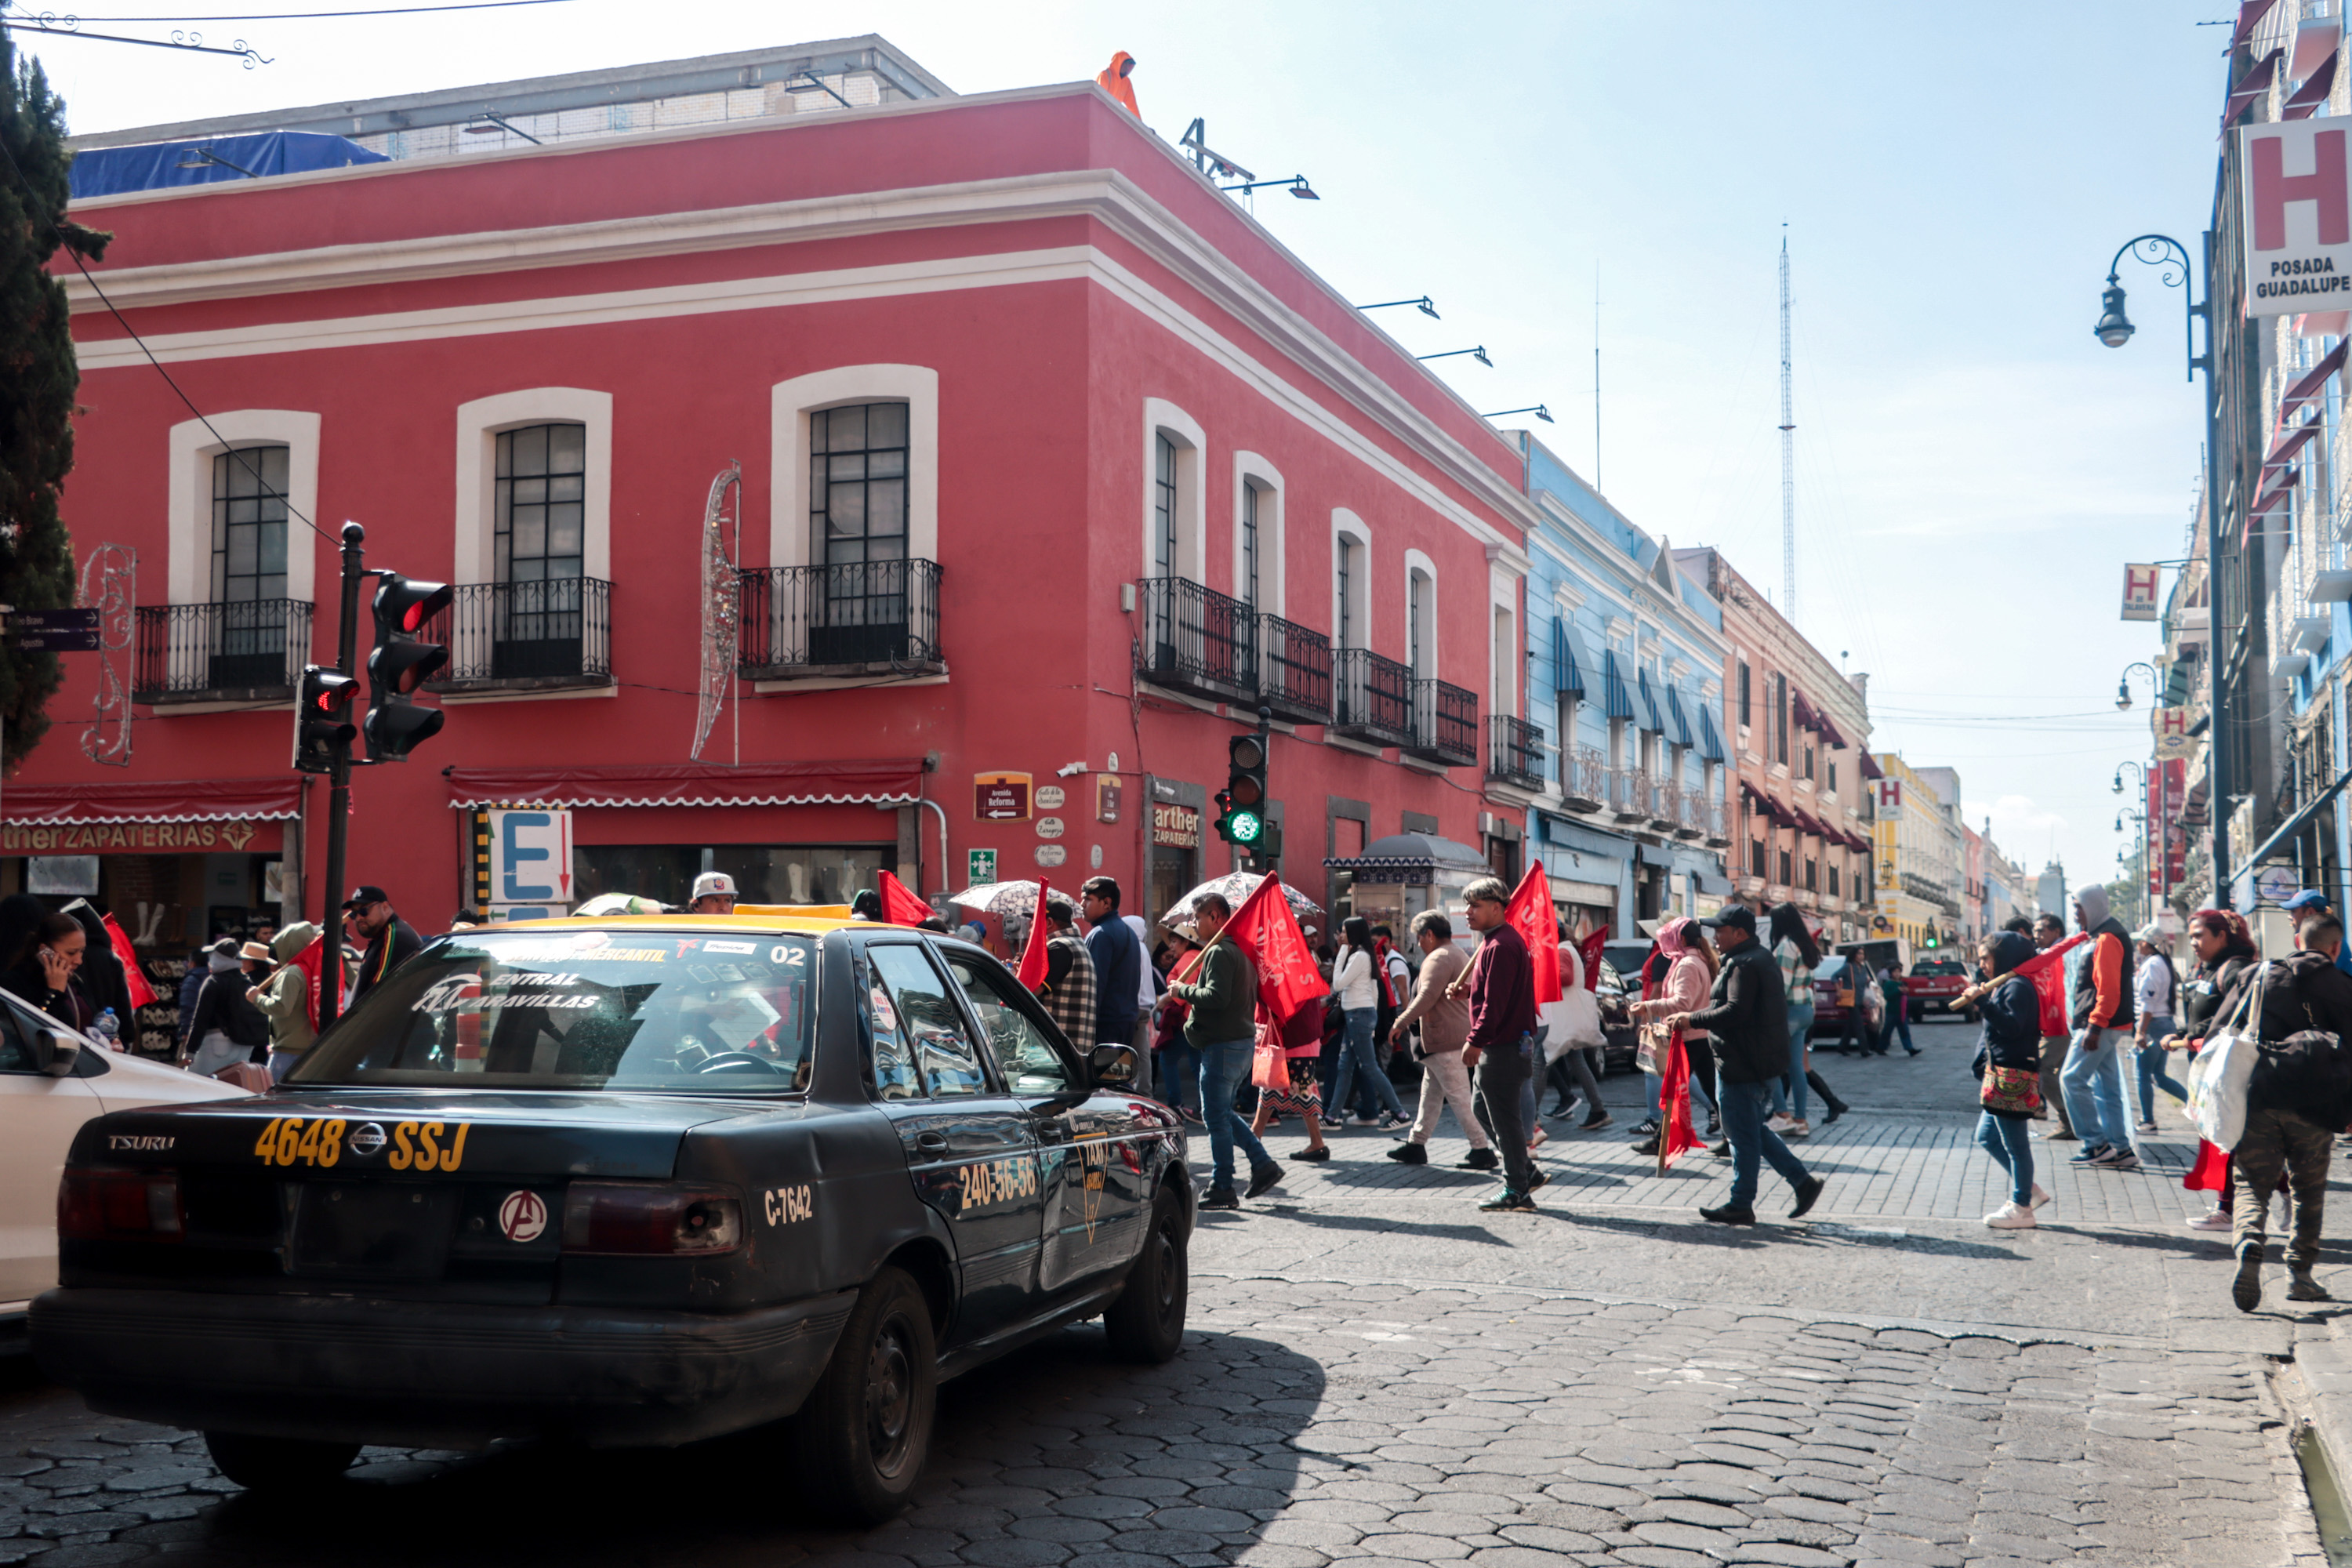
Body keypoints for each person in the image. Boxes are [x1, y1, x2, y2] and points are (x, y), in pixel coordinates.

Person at [2216, 911, 2352, 1309]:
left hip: (2261, 1097)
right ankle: (2301, 1275)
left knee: (2251, 1184)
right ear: (2335, 948)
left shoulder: (2259, 976)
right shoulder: (2344, 988)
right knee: (2308, 1191)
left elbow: (2221, 1030)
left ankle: (2248, 1242)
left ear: (2297, 941)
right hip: (2317, 1106)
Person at [1671, 904, 1824, 1227]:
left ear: (1739, 934)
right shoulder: (1755, 958)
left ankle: (1742, 1203)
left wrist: (1690, 1018)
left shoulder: (1745, 963)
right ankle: (1802, 1182)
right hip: (1756, 1061)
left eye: (1720, 931)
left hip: (1744, 1063)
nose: (1714, 938)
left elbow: (1735, 1012)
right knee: (1750, 1129)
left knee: (1742, 1136)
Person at [1163, 892, 1281, 1208]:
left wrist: (1181, 990)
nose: (1194, 924)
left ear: (1215, 917)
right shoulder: (1240, 950)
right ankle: (1262, 1165)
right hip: (1237, 1043)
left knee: (1216, 1118)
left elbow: (1215, 996)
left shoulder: (1219, 952)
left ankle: (1224, 1184)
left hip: (1223, 1045)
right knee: (1221, 1113)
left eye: (1198, 918)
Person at [1450, 877, 1541, 1213]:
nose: (1468, 912)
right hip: (1501, 1044)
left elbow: (1496, 1004)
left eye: (1475, 905)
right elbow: (1490, 992)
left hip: (1503, 1046)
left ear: (1496, 907)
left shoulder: (1501, 945)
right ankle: (1525, 1171)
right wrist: (1464, 992)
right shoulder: (1493, 943)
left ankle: (1517, 1187)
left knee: (1505, 1119)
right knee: (1482, 1110)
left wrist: (1475, 1040)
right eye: (1467, 905)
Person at [1386, 909, 1486, 1168]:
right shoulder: (1453, 953)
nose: (1418, 943)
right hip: (1446, 1039)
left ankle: (1481, 1148)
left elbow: (1427, 997)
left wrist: (1401, 1021)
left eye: (1419, 937)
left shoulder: (1439, 957)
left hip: (1445, 1039)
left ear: (1429, 934)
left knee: (1460, 1098)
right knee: (1430, 1096)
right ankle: (1416, 1144)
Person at [1970, 931, 2051, 1229]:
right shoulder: (2006, 984)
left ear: (2002, 957)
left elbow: (2012, 1027)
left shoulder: (2017, 986)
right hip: (2000, 1073)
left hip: (2012, 1074)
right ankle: (2029, 1190)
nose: (1982, 966)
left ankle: (2021, 1206)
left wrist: (1983, 1003)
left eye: (1986, 958)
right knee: (1987, 1137)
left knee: (2017, 1146)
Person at [2058, 884, 2139, 1171]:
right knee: (2106, 1087)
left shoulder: (2106, 938)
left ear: (2091, 906)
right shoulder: (2103, 936)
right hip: (2106, 1023)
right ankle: (2120, 1148)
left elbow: (2108, 989)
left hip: (2099, 1024)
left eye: (2078, 907)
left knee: (2071, 1079)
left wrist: (2094, 1026)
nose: (2076, 913)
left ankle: (2096, 1143)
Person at [1626, 918, 1714, 1159]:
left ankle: (1660, 1140)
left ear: (1682, 939)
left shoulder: (1687, 964)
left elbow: (1682, 1003)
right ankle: (1730, 1136)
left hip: (1688, 1035)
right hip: (1698, 1033)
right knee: (1709, 1090)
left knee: (1673, 1092)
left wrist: (1647, 1007)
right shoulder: (1695, 960)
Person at [1328, 916, 1409, 1131]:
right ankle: (1332, 1116)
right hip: (1357, 1015)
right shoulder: (1365, 956)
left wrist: (1343, 952)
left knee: (1369, 1067)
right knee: (1345, 1066)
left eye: (1344, 932)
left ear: (1353, 934)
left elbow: (1338, 983)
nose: (1340, 936)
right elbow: (1373, 989)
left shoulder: (1359, 956)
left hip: (1358, 1016)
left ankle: (1399, 1113)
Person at [1543, 920, 1613, 1130]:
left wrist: (1542, 974)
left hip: (1563, 1019)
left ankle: (1530, 1120)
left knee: (1541, 1061)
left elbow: (1565, 977)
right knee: (1575, 1063)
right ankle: (1598, 1109)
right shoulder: (1568, 950)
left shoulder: (1562, 952)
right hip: (1568, 1018)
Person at [1081, 877, 1144, 1091]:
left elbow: (1094, 985)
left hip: (1105, 1023)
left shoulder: (1101, 934)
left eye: (1088, 899)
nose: (1082, 905)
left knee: (1103, 1087)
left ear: (1106, 903)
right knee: (1116, 1083)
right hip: (1124, 1020)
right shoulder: (1127, 931)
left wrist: (1087, 1024)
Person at [1767, 905, 1820, 1137]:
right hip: (1805, 1010)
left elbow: (1781, 986)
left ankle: (1782, 1114)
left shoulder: (1786, 946)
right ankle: (1801, 1120)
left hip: (1787, 1010)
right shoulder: (1806, 944)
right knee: (1796, 1066)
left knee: (1770, 1064)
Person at [184, 936, 268, 1078]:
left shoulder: (214, 982)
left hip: (215, 1044)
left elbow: (201, 1019)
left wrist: (190, 1050)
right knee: (232, 1089)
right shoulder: (246, 982)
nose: (210, 961)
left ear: (219, 959)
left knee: (200, 1087)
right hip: (243, 1045)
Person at [249, 921, 321, 1083]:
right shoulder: (314, 968)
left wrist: (256, 998)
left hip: (288, 1050)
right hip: (309, 1047)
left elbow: (281, 1007)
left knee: (275, 1101)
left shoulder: (291, 973)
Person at [2132, 926, 2187, 1135]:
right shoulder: (2161, 963)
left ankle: (2148, 1120)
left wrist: (2140, 1031)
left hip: (2153, 1024)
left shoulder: (2153, 964)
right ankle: (2195, 1105)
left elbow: (2148, 1003)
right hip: (2164, 1022)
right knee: (2158, 1075)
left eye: (2141, 941)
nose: (2138, 945)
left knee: (2143, 1075)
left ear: (2149, 943)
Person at [2, 909, 91, 1031]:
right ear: (45, 950)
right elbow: (37, 1032)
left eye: (82, 951)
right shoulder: (15, 982)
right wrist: (54, 992)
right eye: (71, 953)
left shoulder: (74, 981)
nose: (78, 961)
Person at [2030, 912, 2077, 1139]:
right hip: (2056, 1020)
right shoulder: (2050, 953)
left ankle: (2068, 1117)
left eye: (2041, 931)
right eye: (2035, 931)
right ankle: (2070, 1120)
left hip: (2060, 1021)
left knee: (2043, 1068)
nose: (2036, 936)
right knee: (2063, 1074)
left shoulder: (2062, 953)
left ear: (2056, 932)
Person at [1151, 928, 1204, 1123]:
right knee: (1197, 1064)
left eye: (1174, 941)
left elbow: (1182, 992)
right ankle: (1202, 1107)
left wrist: (1163, 1001)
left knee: (1168, 1060)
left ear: (1186, 941)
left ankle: (1175, 1104)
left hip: (1185, 1018)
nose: (1171, 946)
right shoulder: (1197, 956)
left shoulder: (1190, 958)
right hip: (1195, 1017)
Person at [1036, 896, 1098, 1053]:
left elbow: (1029, 992)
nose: (1031, 931)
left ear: (1049, 923)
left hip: (1054, 1053)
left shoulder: (1058, 948)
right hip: (1074, 1049)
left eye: (1034, 925)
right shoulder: (1076, 945)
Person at [344, 885, 422, 1004]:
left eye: (364, 910)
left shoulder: (393, 937)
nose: (359, 918)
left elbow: (378, 998)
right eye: (354, 914)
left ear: (385, 907)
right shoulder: (385, 935)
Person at [1873, 957, 1918, 1057]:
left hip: (1902, 1012)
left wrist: (1906, 991)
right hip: (1891, 1012)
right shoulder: (1889, 984)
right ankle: (1881, 1047)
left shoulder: (1902, 983)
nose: (1897, 974)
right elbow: (1887, 996)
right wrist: (1898, 991)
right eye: (1895, 972)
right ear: (1891, 974)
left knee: (1905, 1031)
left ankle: (1909, 1048)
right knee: (1887, 1031)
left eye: (1899, 972)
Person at [1094, 50, 1141, 118]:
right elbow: (1099, 99)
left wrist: (1140, 126)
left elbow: (1133, 108)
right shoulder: (1105, 75)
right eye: (1126, 64)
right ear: (1119, 63)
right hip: (1100, 115)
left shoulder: (1127, 83)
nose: (1128, 68)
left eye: (1130, 66)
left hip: (1112, 118)